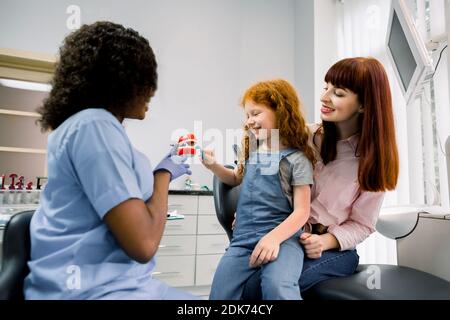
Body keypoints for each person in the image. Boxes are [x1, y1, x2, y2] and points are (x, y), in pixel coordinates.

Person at [24, 21, 195, 300]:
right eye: (145, 80)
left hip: (122, 285)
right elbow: (144, 244)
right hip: (93, 291)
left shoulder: (91, 127)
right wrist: (162, 175)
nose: (150, 92)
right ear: (122, 80)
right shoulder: (94, 126)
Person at [242, 57, 400, 299]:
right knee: (245, 283)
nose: (324, 98)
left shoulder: (372, 161)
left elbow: (363, 224)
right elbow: (262, 175)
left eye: (338, 92)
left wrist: (326, 241)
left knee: (261, 288)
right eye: (325, 88)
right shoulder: (302, 135)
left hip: (331, 251)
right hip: (284, 235)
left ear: (364, 105)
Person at [201, 79, 316, 300]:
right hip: (242, 241)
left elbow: (302, 211)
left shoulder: (297, 160)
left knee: (277, 287)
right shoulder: (252, 152)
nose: (250, 121)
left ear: (280, 111)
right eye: (247, 116)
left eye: (256, 113)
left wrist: (273, 239)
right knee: (220, 294)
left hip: (283, 239)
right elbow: (235, 178)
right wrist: (213, 166)